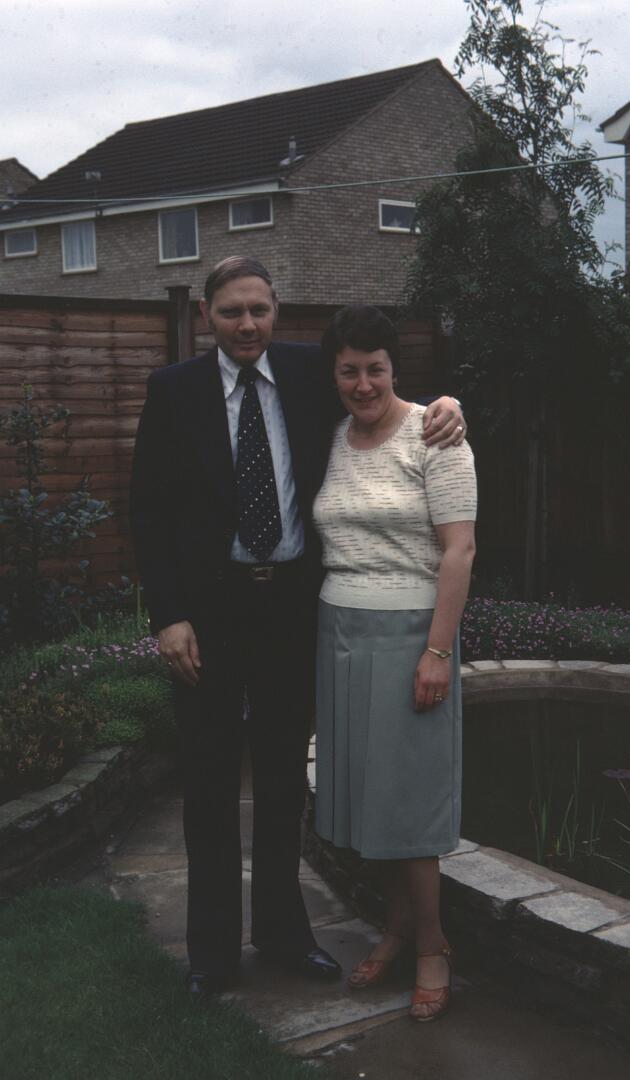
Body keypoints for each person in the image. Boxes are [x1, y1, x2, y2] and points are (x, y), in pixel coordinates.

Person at [129, 257, 467, 999]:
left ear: (275, 309)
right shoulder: (173, 391)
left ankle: (285, 935)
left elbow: (381, 392)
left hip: (291, 611)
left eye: (258, 309)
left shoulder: (312, 374)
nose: (246, 324)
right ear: (206, 317)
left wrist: (448, 404)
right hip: (208, 618)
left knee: (283, 780)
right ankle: (212, 952)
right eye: (231, 311)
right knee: (210, 781)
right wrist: (169, 616)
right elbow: (148, 512)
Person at [313, 304, 476, 1022]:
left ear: (393, 369)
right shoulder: (332, 439)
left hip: (411, 635)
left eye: (374, 369)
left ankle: (433, 944)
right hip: (339, 633)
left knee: (408, 800)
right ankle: (396, 928)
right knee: (367, 800)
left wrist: (436, 651)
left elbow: (459, 551)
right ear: (334, 374)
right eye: (348, 371)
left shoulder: (436, 436)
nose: (362, 384)